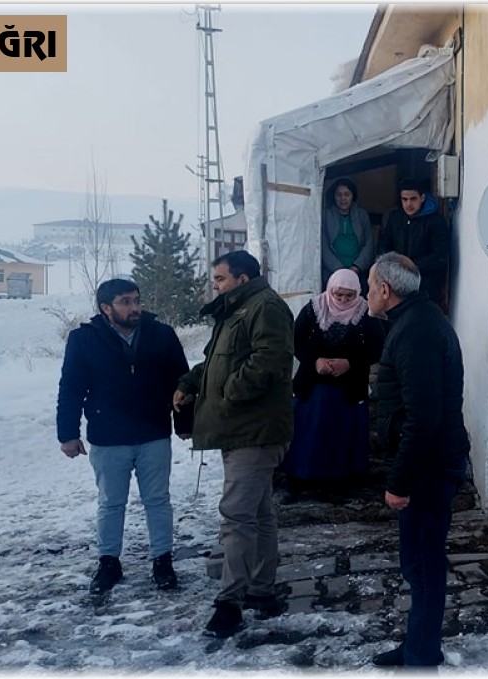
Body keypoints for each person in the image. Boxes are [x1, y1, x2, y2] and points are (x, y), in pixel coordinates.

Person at [172, 250, 295, 639]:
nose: (216, 285)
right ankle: (261, 591)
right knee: (257, 514)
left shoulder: (266, 307)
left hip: (255, 431)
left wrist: (228, 391)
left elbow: (271, 360)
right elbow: (216, 361)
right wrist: (191, 383)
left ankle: (230, 603)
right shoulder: (236, 310)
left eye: (221, 279)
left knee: (237, 517)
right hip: (240, 429)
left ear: (243, 279)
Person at [366, 253, 470, 668]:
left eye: (370, 284)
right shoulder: (414, 321)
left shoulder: (416, 331)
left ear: (385, 291)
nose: (367, 292)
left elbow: (423, 419)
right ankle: (419, 644)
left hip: (429, 468)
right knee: (418, 561)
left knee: (423, 564)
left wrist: (399, 481)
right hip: (430, 463)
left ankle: (422, 657)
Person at [56, 278, 192, 595]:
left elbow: (183, 383)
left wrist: (186, 423)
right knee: (110, 503)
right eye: (125, 302)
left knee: (158, 501)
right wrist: (68, 433)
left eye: (136, 300)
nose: (134, 308)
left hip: (153, 431)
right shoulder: (84, 339)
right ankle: (108, 563)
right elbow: (71, 388)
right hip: (108, 436)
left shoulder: (161, 334)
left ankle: (162, 561)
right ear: (106, 308)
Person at [279, 268, 385, 502]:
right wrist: (314, 361)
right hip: (313, 385)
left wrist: (350, 363)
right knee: (306, 433)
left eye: (349, 296)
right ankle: (297, 479)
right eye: (339, 295)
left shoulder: (367, 312)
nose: (343, 300)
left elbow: (378, 347)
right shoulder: (314, 308)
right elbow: (294, 340)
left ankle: (337, 482)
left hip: (347, 387)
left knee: (340, 435)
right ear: (330, 290)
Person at [377, 178, 451, 310]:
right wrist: (391, 267)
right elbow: (384, 245)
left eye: (413, 199)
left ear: (422, 198)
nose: (408, 204)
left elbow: (440, 256)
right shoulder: (395, 218)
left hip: (425, 288)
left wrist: (410, 265)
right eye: (404, 199)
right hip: (396, 284)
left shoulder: (436, 222)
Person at [320, 177, 375, 288]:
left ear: (352, 196)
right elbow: (323, 245)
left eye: (347, 194)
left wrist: (356, 268)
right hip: (332, 273)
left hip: (358, 273)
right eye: (339, 195)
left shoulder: (361, 215)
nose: (343, 198)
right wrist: (339, 270)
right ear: (334, 197)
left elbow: (369, 244)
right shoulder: (326, 215)